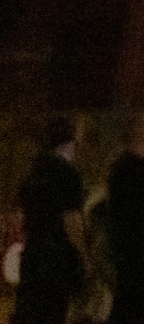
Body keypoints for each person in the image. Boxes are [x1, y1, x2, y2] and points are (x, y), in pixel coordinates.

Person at [12, 116, 88, 324]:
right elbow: (71, 220)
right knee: (53, 312)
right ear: (71, 140)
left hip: (34, 254)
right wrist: (84, 257)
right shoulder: (67, 174)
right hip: (57, 259)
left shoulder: (35, 170)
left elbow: (22, 213)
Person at [102, 112, 144, 324]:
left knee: (127, 305)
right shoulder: (139, 170)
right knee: (137, 308)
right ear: (141, 133)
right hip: (140, 250)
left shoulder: (120, 167)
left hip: (127, 248)